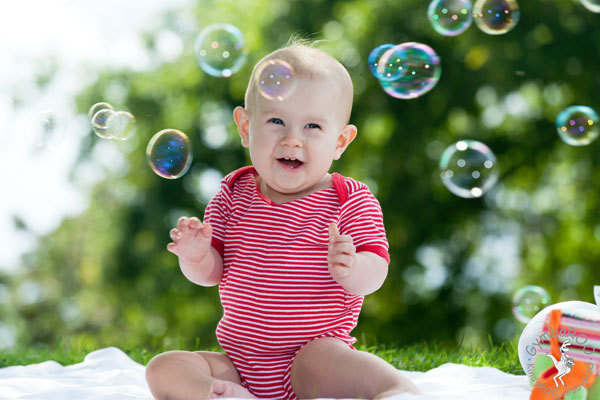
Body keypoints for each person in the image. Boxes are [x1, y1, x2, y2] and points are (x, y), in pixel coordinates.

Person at [145, 38, 423, 400]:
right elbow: (211, 273)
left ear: (340, 141)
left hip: (312, 362)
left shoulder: (349, 199)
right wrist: (196, 256)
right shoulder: (232, 194)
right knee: (164, 368)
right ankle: (224, 395)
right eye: (276, 120)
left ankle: (397, 390)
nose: (293, 139)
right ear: (245, 127)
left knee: (330, 360)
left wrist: (352, 266)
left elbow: (376, 273)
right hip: (240, 366)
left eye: (313, 127)